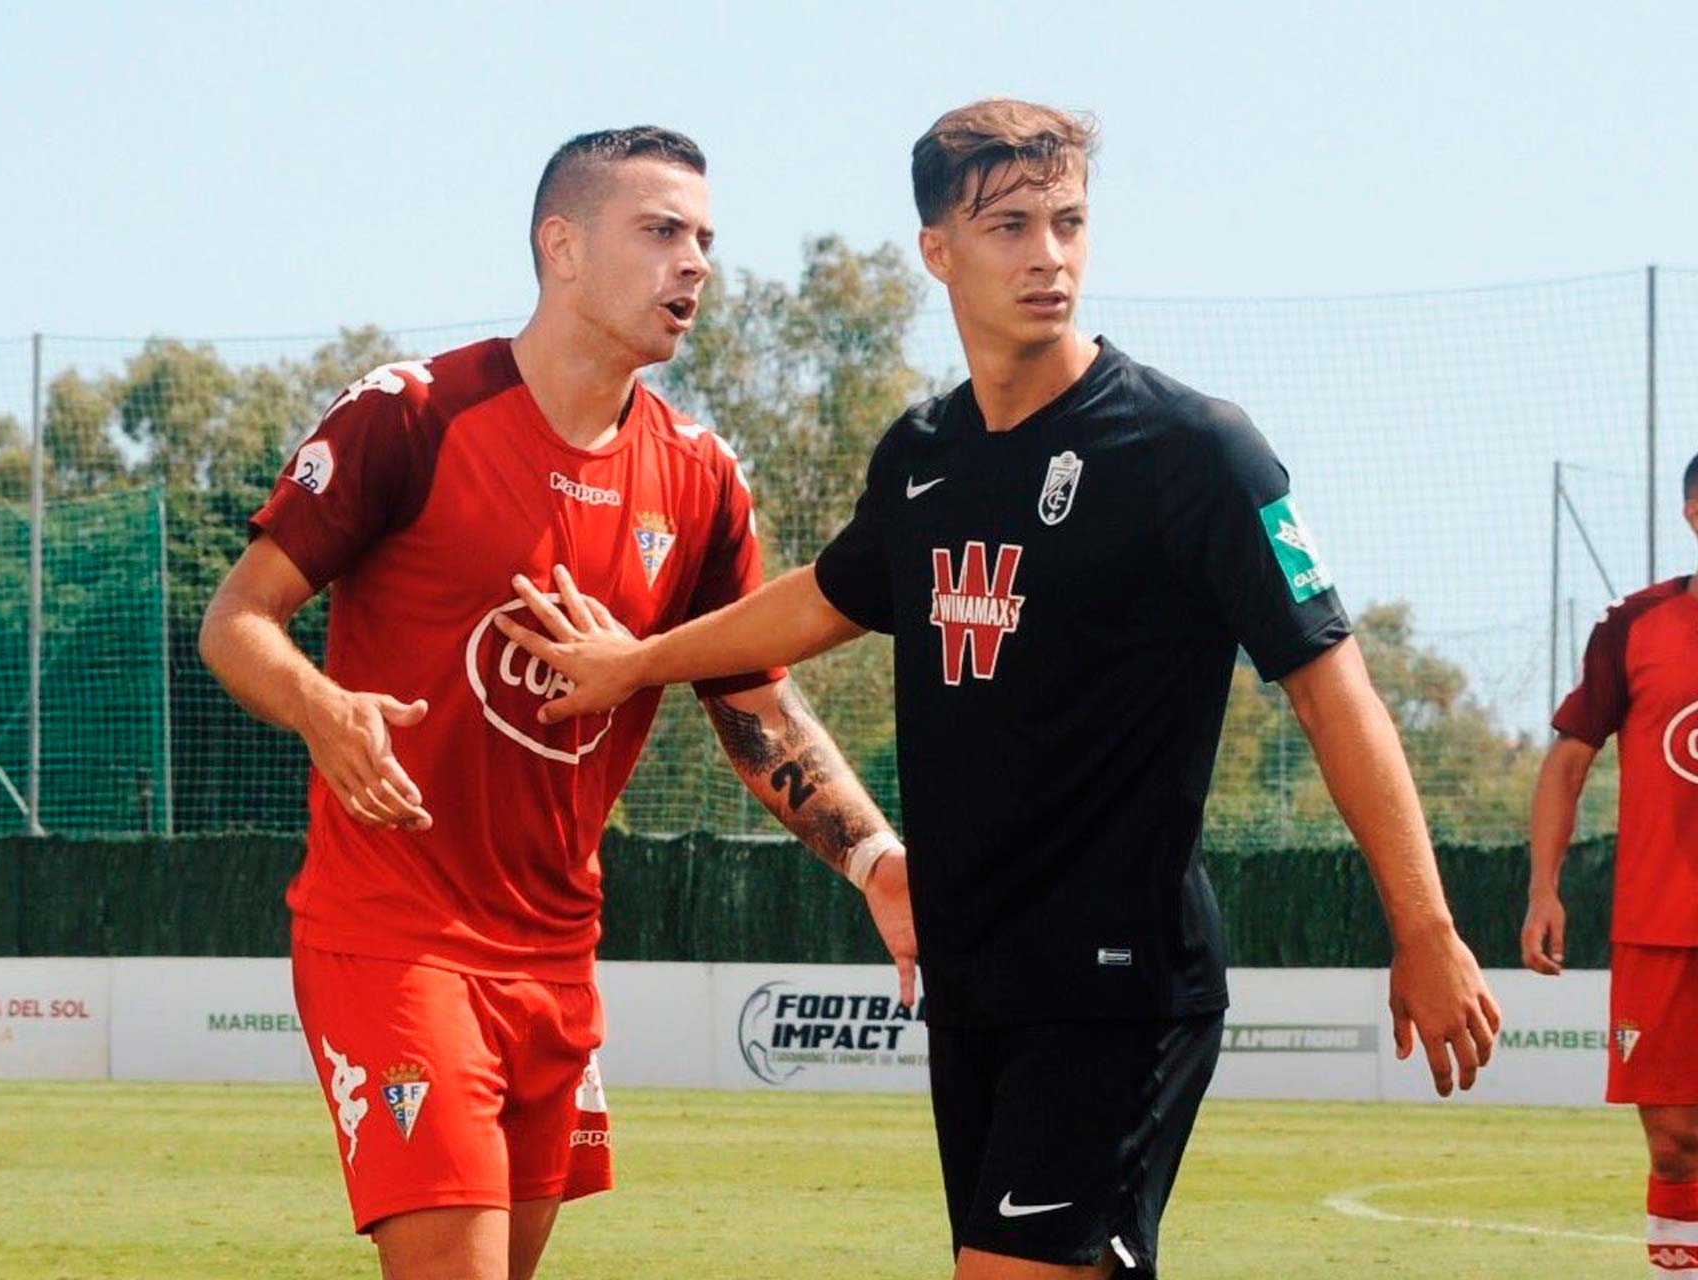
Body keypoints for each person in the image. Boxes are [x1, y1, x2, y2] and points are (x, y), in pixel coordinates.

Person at [493, 98, 1501, 1279]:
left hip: (1120, 982)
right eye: (1012, 225)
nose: (1050, 255)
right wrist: (641, 660)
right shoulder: (927, 454)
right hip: (975, 979)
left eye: (1069, 222)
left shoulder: (1194, 451)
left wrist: (1425, 926)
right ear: (939, 252)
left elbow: (1339, 695)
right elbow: (823, 594)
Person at [197, 126, 915, 1280]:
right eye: (663, 230)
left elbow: (756, 708)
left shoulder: (700, 476)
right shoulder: (412, 411)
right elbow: (236, 620)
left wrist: (876, 858)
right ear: (562, 246)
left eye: (706, 241)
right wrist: (326, 709)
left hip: (556, 956)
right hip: (395, 935)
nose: (696, 264)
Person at [1523, 450, 1698, 1276]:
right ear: (1695, 516)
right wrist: (1544, 891)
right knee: (1674, 1143)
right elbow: (1567, 760)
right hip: (1659, 926)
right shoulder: (1633, 628)